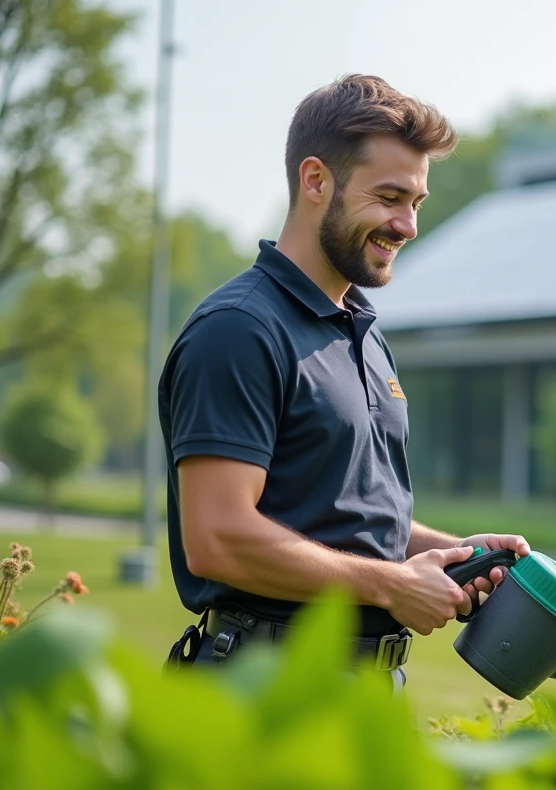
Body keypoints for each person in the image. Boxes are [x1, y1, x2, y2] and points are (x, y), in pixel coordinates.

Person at [157, 75, 529, 685]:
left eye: (415, 203)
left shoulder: (362, 331)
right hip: (262, 688)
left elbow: (338, 515)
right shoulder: (239, 330)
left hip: (368, 689)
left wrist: (454, 554)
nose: (407, 225)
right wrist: (390, 586)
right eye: (388, 197)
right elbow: (217, 537)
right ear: (315, 180)